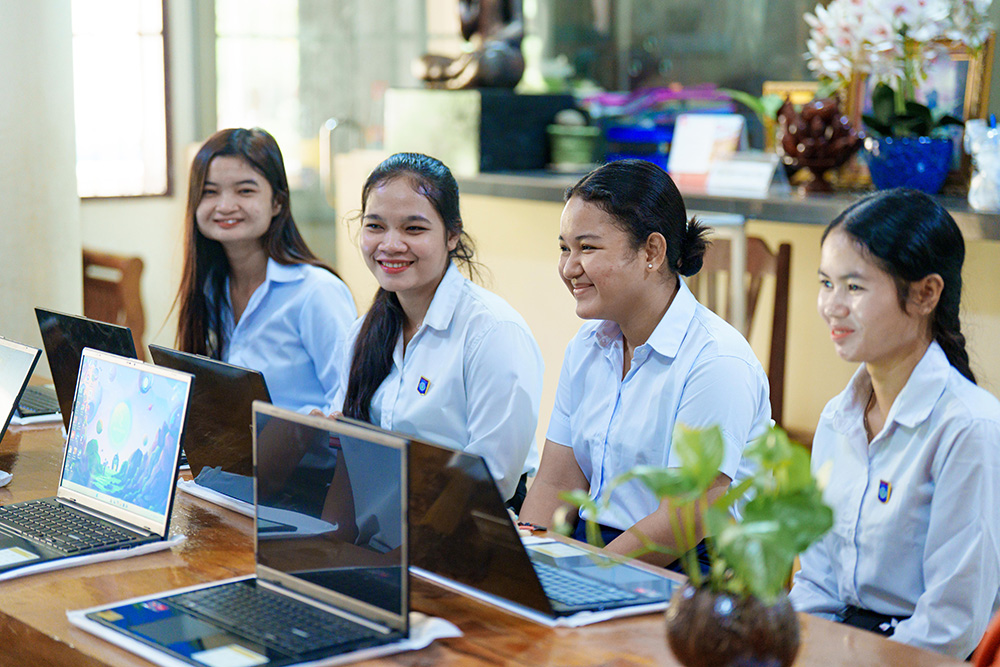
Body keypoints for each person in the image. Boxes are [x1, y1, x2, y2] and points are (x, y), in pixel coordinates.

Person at [518, 159, 771, 568]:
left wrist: (586, 577)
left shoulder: (717, 360)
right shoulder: (587, 346)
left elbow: (685, 519)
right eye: (564, 248)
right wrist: (525, 565)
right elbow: (554, 483)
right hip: (595, 548)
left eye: (587, 248)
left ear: (652, 251)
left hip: (688, 565)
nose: (569, 268)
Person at [788, 188, 1000, 659]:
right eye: (826, 283)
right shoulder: (838, 418)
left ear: (926, 294)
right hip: (840, 647)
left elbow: (951, 627)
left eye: (854, 287)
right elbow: (817, 584)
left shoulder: (970, 429)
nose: (832, 305)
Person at [332, 152, 543, 509]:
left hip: (466, 525)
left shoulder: (493, 331)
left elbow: (493, 479)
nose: (390, 245)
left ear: (452, 235)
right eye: (375, 226)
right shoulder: (362, 333)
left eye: (413, 229)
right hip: (383, 520)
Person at [174, 127, 356, 414]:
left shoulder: (317, 292)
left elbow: (351, 400)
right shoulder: (210, 287)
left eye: (245, 191)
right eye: (209, 192)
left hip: (305, 445)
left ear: (277, 202)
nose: (225, 206)